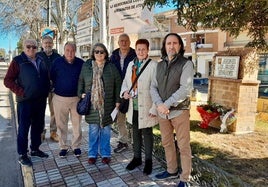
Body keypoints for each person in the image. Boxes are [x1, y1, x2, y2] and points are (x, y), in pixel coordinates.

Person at [150, 33, 194, 187]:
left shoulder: (186, 64)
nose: (171, 46)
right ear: (164, 46)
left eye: (175, 43)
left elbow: (185, 89)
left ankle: (185, 178)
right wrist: (159, 104)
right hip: (163, 112)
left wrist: (166, 104)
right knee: (167, 142)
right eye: (169, 43)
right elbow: (153, 87)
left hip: (179, 111)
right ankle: (171, 170)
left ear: (180, 46)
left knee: (183, 145)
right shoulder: (159, 64)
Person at [4, 39, 50, 166]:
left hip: (40, 100)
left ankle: (35, 149)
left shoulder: (41, 60)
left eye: (34, 47)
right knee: (24, 129)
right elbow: (8, 80)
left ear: (37, 48)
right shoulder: (18, 61)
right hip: (25, 101)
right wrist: (21, 92)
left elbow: (45, 77)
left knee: (38, 126)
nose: (31, 49)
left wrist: (46, 89)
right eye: (28, 47)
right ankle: (22, 154)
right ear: (24, 47)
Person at [77, 43, 121, 164]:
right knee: (93, 130)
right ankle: (92, 154)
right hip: (92, 104)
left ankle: (105, 153)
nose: (99, 54)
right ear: (93, 53)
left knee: (106, 131)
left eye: (102, 52)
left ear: (105, 53)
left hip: (108, 105)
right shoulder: (87, 66)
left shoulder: (111, 67)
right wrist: (81, 94)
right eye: (96, 51)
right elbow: (80, 80)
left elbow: (118, 84)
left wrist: (118, 100)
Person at [120, 39, 158, 175]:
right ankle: (137, 158)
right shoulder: (131, 64)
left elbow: (157, 88)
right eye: (138, 49)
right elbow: (125, 82)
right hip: (133, 106)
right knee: (135, 133)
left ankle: (148, 161)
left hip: (147, 106)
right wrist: (124, 92)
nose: (141, 52)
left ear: (148, 50)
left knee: (147, 134)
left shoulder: (153, 65)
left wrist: (154, 108)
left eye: (143, 49)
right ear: (135, 50)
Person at [50, 42, 84, 158]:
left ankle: (76, 146)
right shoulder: (57, 62)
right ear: (64, 51)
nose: (70, 53)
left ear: (75, 51)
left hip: (76, 99)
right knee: (61, 125)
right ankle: (63, 147)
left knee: (77, 125)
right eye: (67, 50)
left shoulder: (80, 63)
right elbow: (52, 77)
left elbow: (84, 79)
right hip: (60, 99)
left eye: (72, 50)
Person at [110, 33, 136, 153]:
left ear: (130, 42)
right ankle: (123, 141)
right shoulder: (114, 56)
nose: (123, 43)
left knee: (135, 118)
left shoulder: (135, 54)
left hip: (134, 91)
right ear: (118, 43)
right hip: (119, 92)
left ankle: (137, 141)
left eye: (126, 41)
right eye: (121, 41)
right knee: (121, 118)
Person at [37, 35, 61, 142]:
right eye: (45, 43)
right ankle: (41, 131)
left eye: (49, 43)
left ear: (53, 44)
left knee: (54, 111)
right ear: (42, 44)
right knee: (40, 110)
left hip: (54, 88)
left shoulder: (58, 57)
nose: (48, 45)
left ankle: (53, 131)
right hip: (41, 88)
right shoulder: (37, 56)